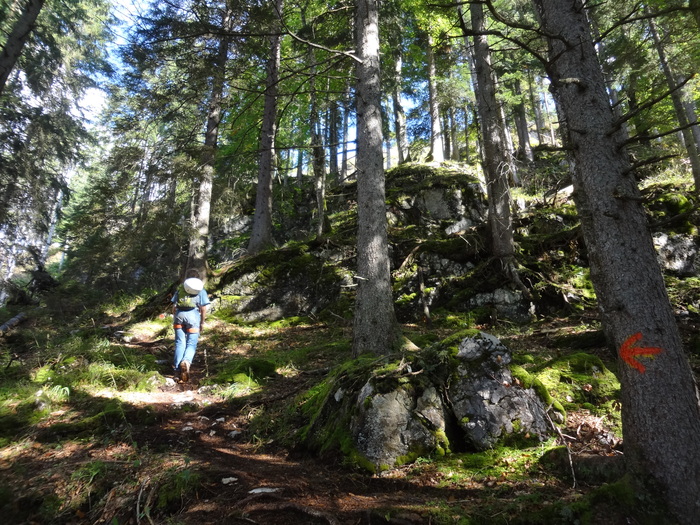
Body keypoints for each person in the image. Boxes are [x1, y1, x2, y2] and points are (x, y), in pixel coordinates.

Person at [171, 271, 210, 382]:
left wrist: (176, 317)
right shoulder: (201, 291)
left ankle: (177, 371)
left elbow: (174, 307)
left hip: (179, 316)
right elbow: (203, 309)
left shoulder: (180, 289)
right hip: (193, 317)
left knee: (180, 343)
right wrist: (202, 322)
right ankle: (186, 362)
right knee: (191, 343)